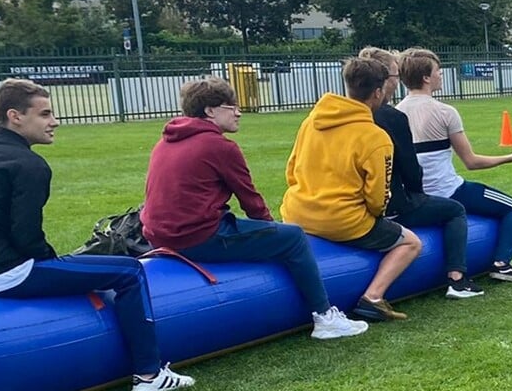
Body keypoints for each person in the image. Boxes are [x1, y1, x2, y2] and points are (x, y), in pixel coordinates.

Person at [0, 79, 195, 391]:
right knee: (129, 270)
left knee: (81, 267)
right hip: (4, 274)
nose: (54, 121)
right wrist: (58, 264)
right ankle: (149, 375)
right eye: (44, 114)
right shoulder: (29, 165)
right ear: (15, 116)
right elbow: (27, 238)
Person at [141, 77, 366, 340]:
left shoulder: (166, 141)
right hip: (195, 238)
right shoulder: (218, 146)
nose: (239, 111)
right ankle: (325, 317)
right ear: (210, 111)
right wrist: (272, 231)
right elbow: (250, 200)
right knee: (292, 237)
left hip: (158, 237)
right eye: (231, 106)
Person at [282, 55, 424, 321]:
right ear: (379, 92)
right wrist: (374, 216)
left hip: (297, 212)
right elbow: (377, 196)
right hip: (343, 221)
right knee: (412, 243)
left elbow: (292, 169)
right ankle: (373, 297)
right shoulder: (374, 136)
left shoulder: (311, 122)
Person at [398, 48, 512, 281]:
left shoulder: (396, 113)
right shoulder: (445, 112)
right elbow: (471, 162)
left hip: (415, 197)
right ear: (426, 78)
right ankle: (501, 264)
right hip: (448, 191)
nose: (440, 75)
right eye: (438, 72)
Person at [357, 47, 480, 300]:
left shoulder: (335, 116)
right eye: (394, 75)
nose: (397, 80)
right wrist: (416, 196)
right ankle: (457, 279)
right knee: (454, 209)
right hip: (388, 206)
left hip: (343, 205)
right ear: (382, 82)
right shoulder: (391, 117)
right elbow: (410, 170)